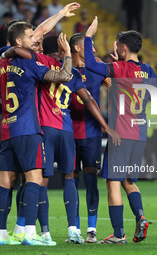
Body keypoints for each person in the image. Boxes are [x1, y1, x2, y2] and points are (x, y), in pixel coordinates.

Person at [4, 34, 120, 244]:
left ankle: (45, 232)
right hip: (67, 130)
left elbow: (20, 56)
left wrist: (7, 51)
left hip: (45, 129)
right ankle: (73, 230)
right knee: (69, 178)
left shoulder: (40, 67)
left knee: (40, 181)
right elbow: (89, 99)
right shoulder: (73, 72)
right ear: (62, 49)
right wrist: (106, 126)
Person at [0, 22, 74, 246]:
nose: (33, 40)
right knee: (34, 179)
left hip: (8, 129)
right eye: (29, 36)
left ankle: (0, 233)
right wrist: (67, 56)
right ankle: (28, 233)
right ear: (19, 42)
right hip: (28, 129)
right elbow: (65, 76)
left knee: (5, 180)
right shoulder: (30, 64)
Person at [84, 17, 157, 244]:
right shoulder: (148, 70)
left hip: (121, 134)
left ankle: (118, 234)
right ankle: (140, 216)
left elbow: (91, 64)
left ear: (123, 48)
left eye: (117, 45)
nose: (115, 48)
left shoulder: (119, 67)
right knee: (128, 180)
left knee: (113, 182)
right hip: (140, 134)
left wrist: (88, 38)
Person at [68, 32, 110, 243]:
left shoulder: (98, 70)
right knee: (71, 182)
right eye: (89, 46)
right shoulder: (64, 71)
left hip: (92, 134)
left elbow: (116, 84)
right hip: (68, 134)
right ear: (77, 48)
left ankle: (91, 229)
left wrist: (111, 79)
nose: (93, 50)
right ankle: (74, 229)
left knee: (91, 181)